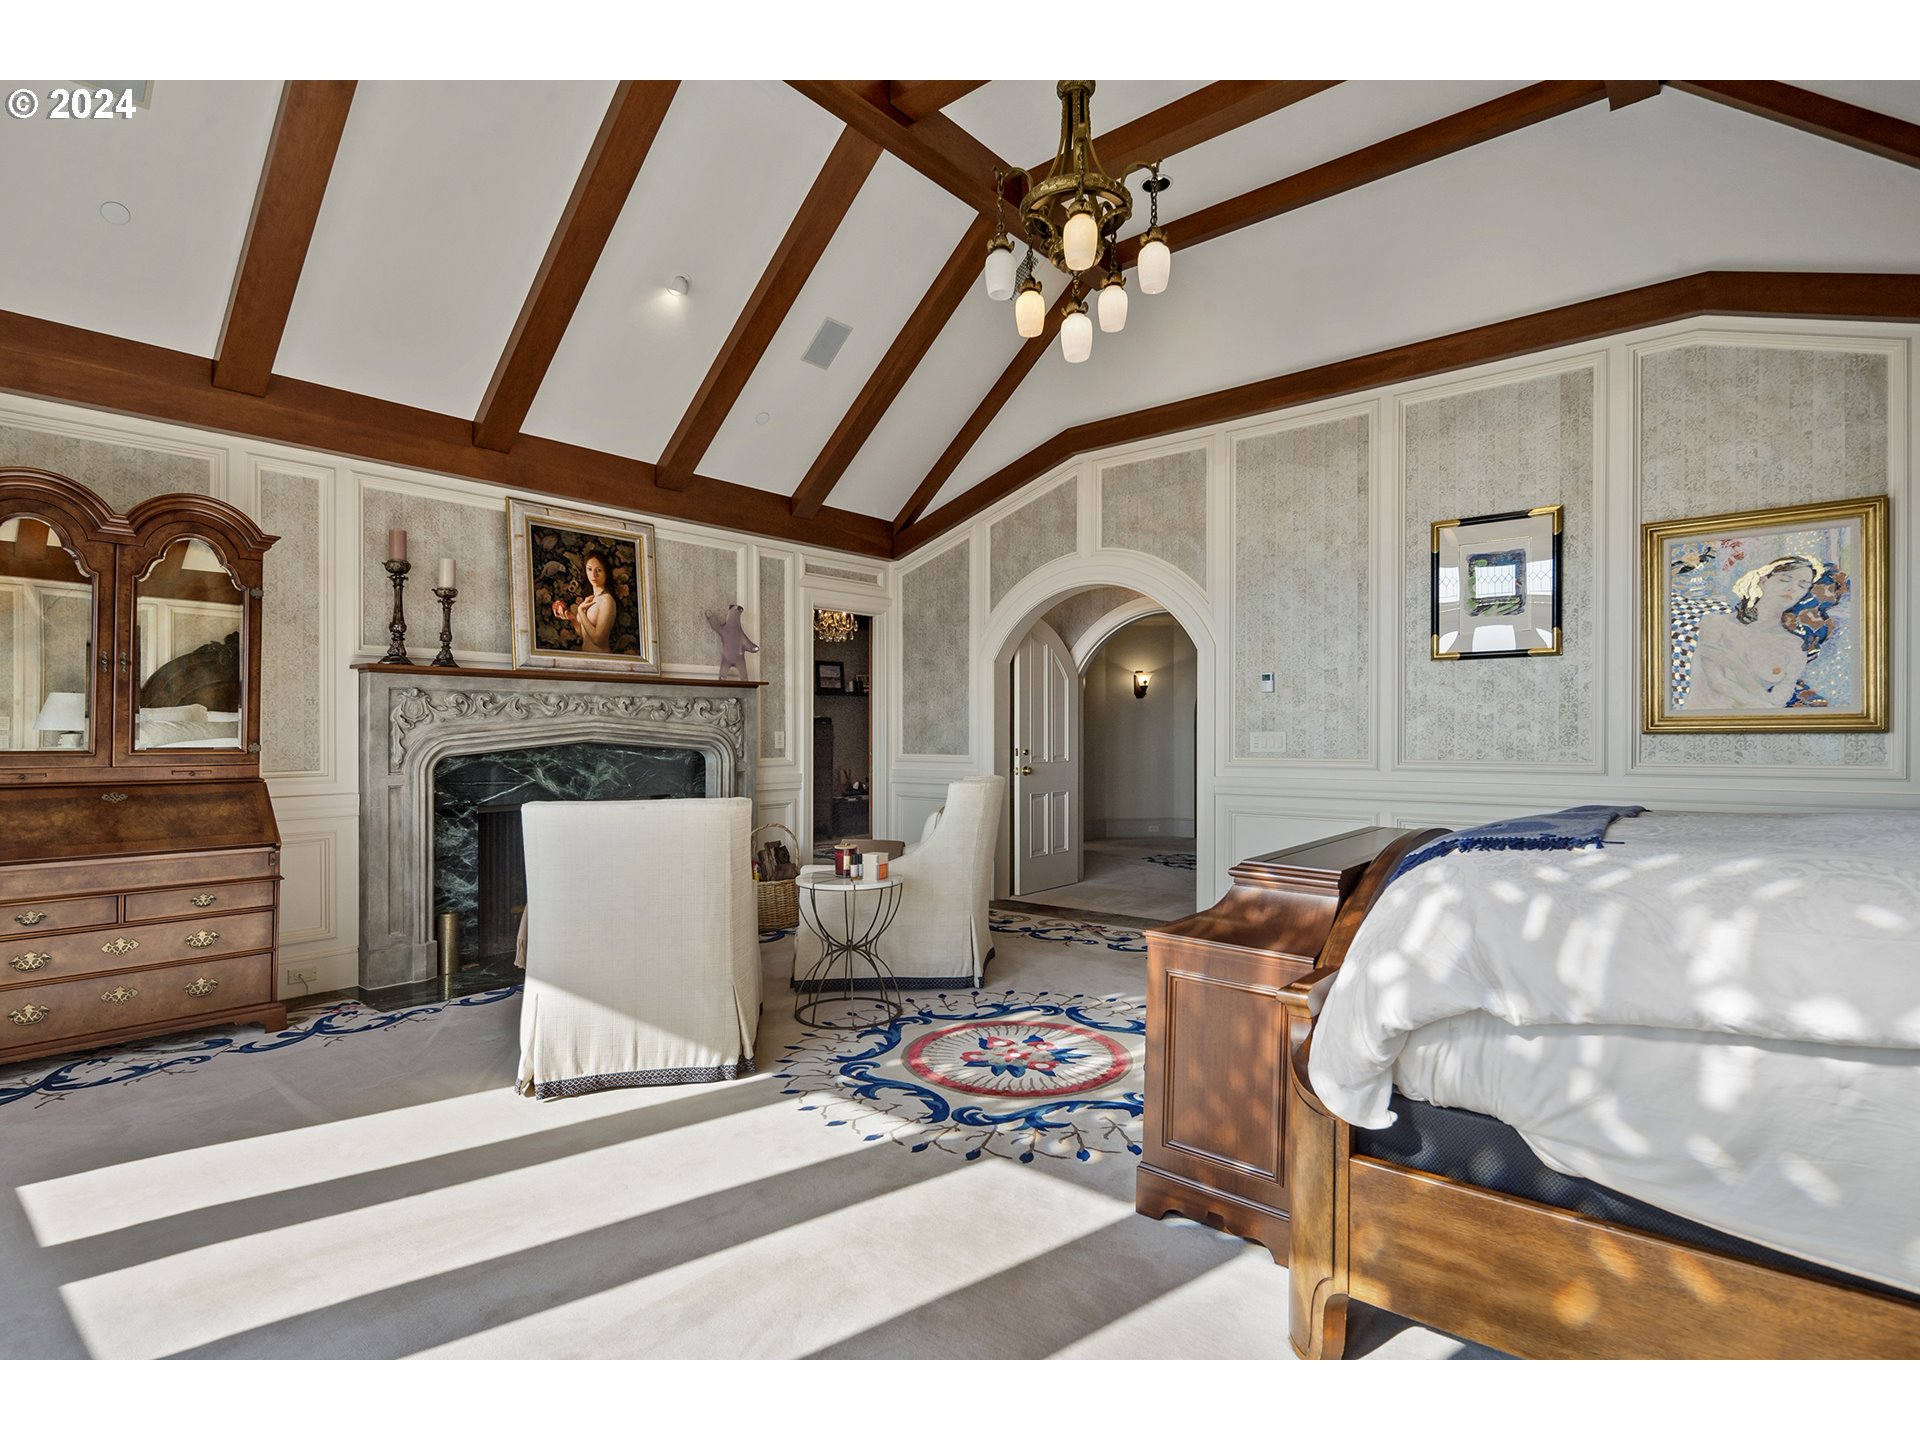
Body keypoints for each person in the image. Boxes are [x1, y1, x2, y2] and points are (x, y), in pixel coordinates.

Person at [1678, 554, 1824, 712]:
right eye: (1784, 579)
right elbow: (1717, 682)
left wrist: (1737, 667)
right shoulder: (1716, 623)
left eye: (1802, 586)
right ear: (1763, 581)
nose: (1792, 588)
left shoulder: (1795, 646)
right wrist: (1766, 704)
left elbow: (1777, 703)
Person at [551, 551, 617, 653]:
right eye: (589, 569)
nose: (593, 575)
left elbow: (598, 640)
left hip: (601, 659)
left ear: (606, 572)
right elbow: (584, 635)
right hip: (587, 658)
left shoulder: (607, 600)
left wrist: (581, 612)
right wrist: (573, 618)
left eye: (598, 570)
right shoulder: (591, 598)